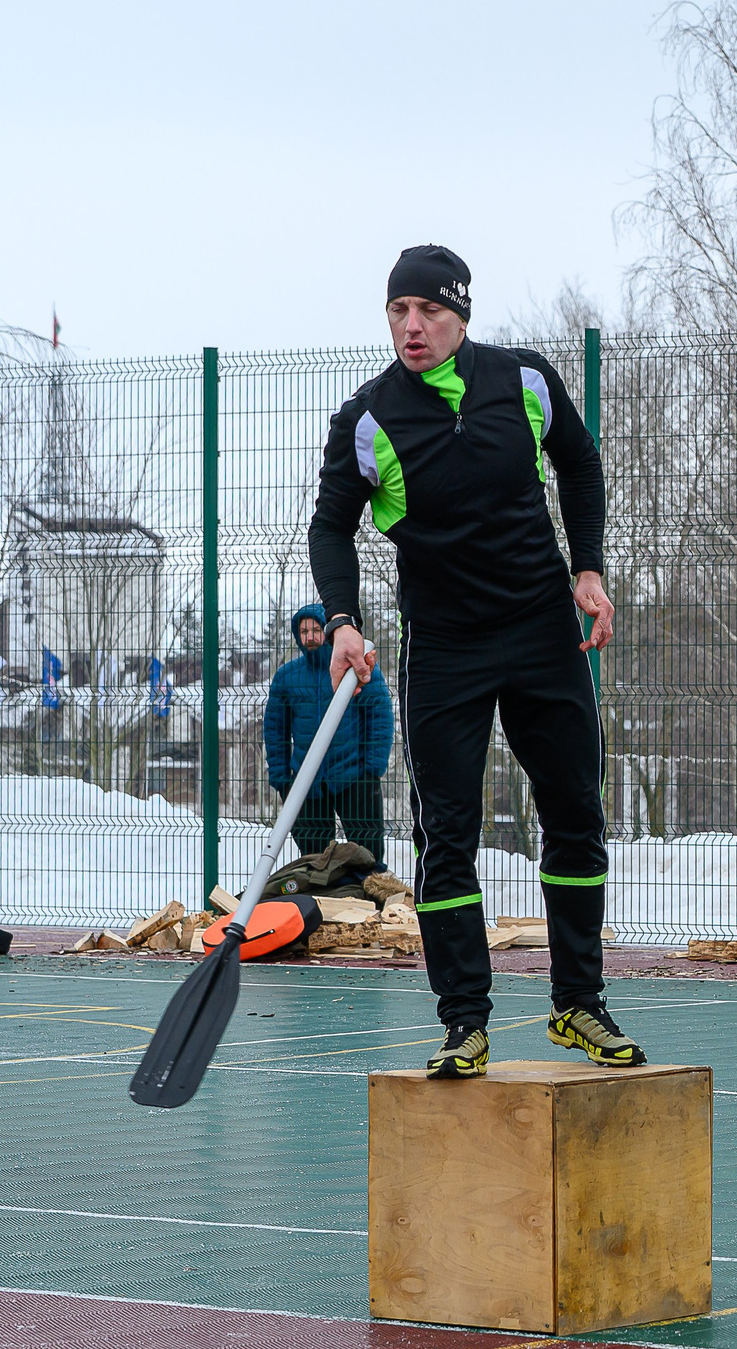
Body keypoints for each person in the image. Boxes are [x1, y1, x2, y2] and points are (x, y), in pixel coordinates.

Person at [308, 244, 641, 1079]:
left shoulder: (524, 381)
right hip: (445, 647)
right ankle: (464, 1021)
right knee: (444, 837)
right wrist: (343, 621)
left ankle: (579, 1005)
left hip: (540, 635)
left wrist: (589, 570)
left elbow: (581, 462)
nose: (411, 327)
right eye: (397, 312)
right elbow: (330, 526)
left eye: (428, 311)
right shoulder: (367, 419)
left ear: (461, 313)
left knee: (573, 816)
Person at [263, 603, 393, 867]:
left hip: (354, 776)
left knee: (368, 857)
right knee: (313, 862)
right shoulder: (287, 677)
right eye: (303, 631)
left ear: (330, 632)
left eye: (316, 629)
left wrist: (372, 769)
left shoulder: (357, 668)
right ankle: (319, 906)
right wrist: (282, 779)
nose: (309, 637)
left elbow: (379, 716)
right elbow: (275, 730)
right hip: (306, 783)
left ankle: (369, 905)